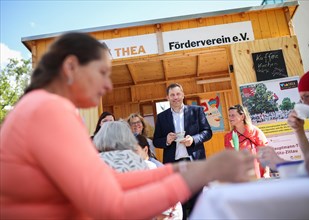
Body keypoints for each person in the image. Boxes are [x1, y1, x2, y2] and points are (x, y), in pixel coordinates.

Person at [0, 32, 255, 219]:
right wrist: (201, 174)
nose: (108, 85)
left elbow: (107, 181)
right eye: (102, 73)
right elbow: (112, 206)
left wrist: (186, 170)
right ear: (70, 68)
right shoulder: (48, 111)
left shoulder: (47, 106)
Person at [153, 83, 212, 219]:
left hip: (194, 162)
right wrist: (166, 140)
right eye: (172, 95)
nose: (175, 97)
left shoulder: (196, 111)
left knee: (197, 199)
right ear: (167, 97)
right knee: (179, 201)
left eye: (178, 94)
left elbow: (207, 132)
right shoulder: (162, 117)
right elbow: (156, 141)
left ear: (183, 95)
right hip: (174, 165)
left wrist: (194, 139)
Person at [224, 104, 269, 179]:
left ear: (242, 116)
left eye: (233, 115)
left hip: (258, 175)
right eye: (229, 115)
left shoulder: (255, 132)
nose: (230, 118)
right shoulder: (229, 137)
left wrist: (266, 172)